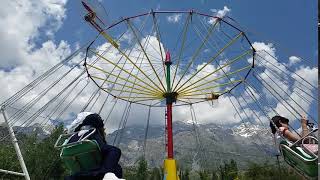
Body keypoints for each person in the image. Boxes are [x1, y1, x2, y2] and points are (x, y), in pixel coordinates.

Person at [65, 112, 123, 180]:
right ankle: (105, 173)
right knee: (115, 151)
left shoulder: (73, 136)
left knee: (116, 167)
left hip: (78, 162)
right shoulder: (93, 132)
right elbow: (102, 148)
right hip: (95, 163)